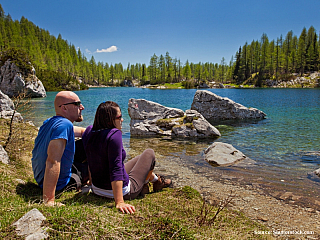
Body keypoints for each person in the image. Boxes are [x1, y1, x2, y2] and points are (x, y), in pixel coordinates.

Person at [82, 101, 172, 214]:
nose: (122, 120)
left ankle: (155, 179)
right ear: (110, 120)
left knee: (140, 158)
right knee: (149, 153)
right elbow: (116, 169)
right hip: (123, 192)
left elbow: (91, 160)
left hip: (97, 189)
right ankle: (148, 184)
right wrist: (119, 202)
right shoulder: (114, 134)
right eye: (119, 117)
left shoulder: (89, 131)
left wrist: (91, 183)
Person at [31, 91, 87, 206]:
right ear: (64, 108)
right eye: (77, 104)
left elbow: (83, 132)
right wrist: (49, 200)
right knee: (93, 148)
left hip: (40, 178)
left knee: (87, 140)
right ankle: (99, 185)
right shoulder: (64, 125)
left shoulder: (50, 122)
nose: (82, 107)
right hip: (61, 183)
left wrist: (101, 133)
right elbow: (53, 161)